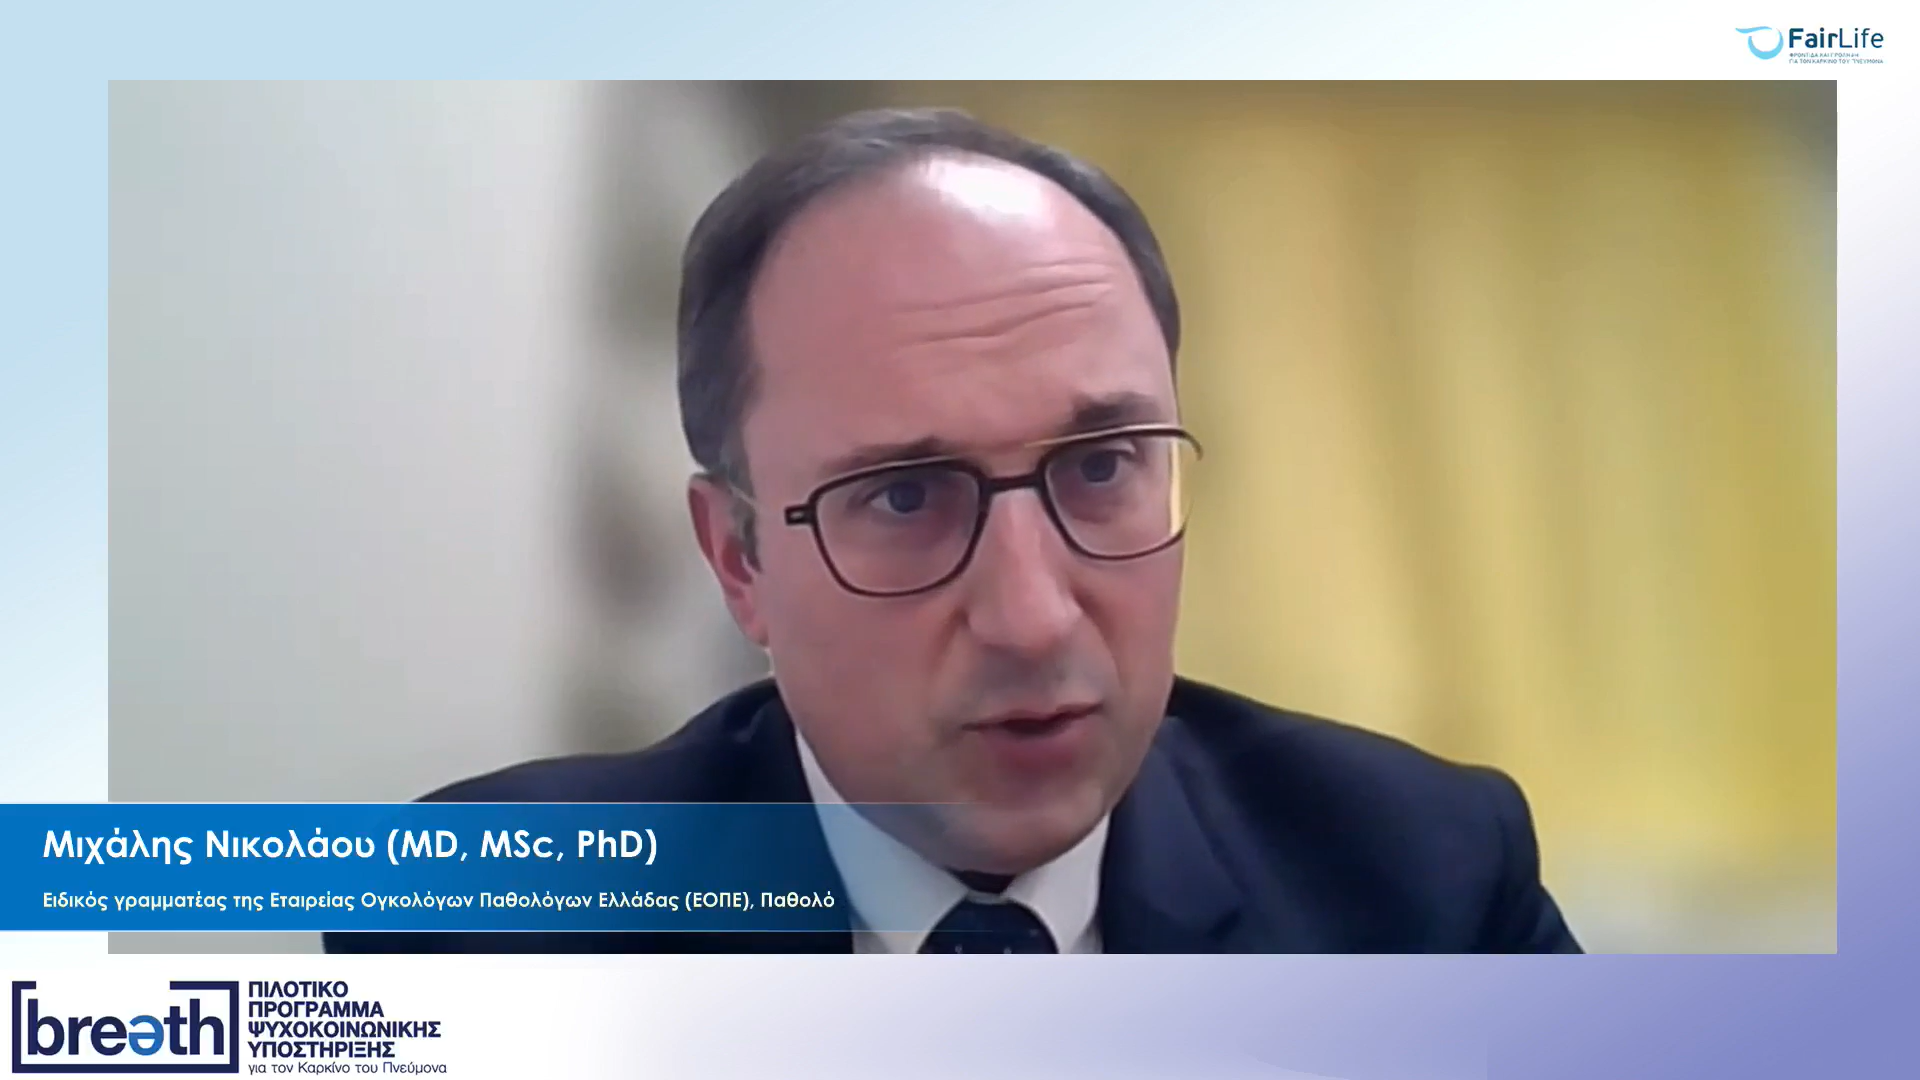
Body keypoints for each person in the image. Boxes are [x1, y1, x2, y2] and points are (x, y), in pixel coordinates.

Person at [325, 107, 1581, 955]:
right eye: (906, 498)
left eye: (1102, 468)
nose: (1033, 617)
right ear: (740, 560)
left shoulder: (1421, 884)